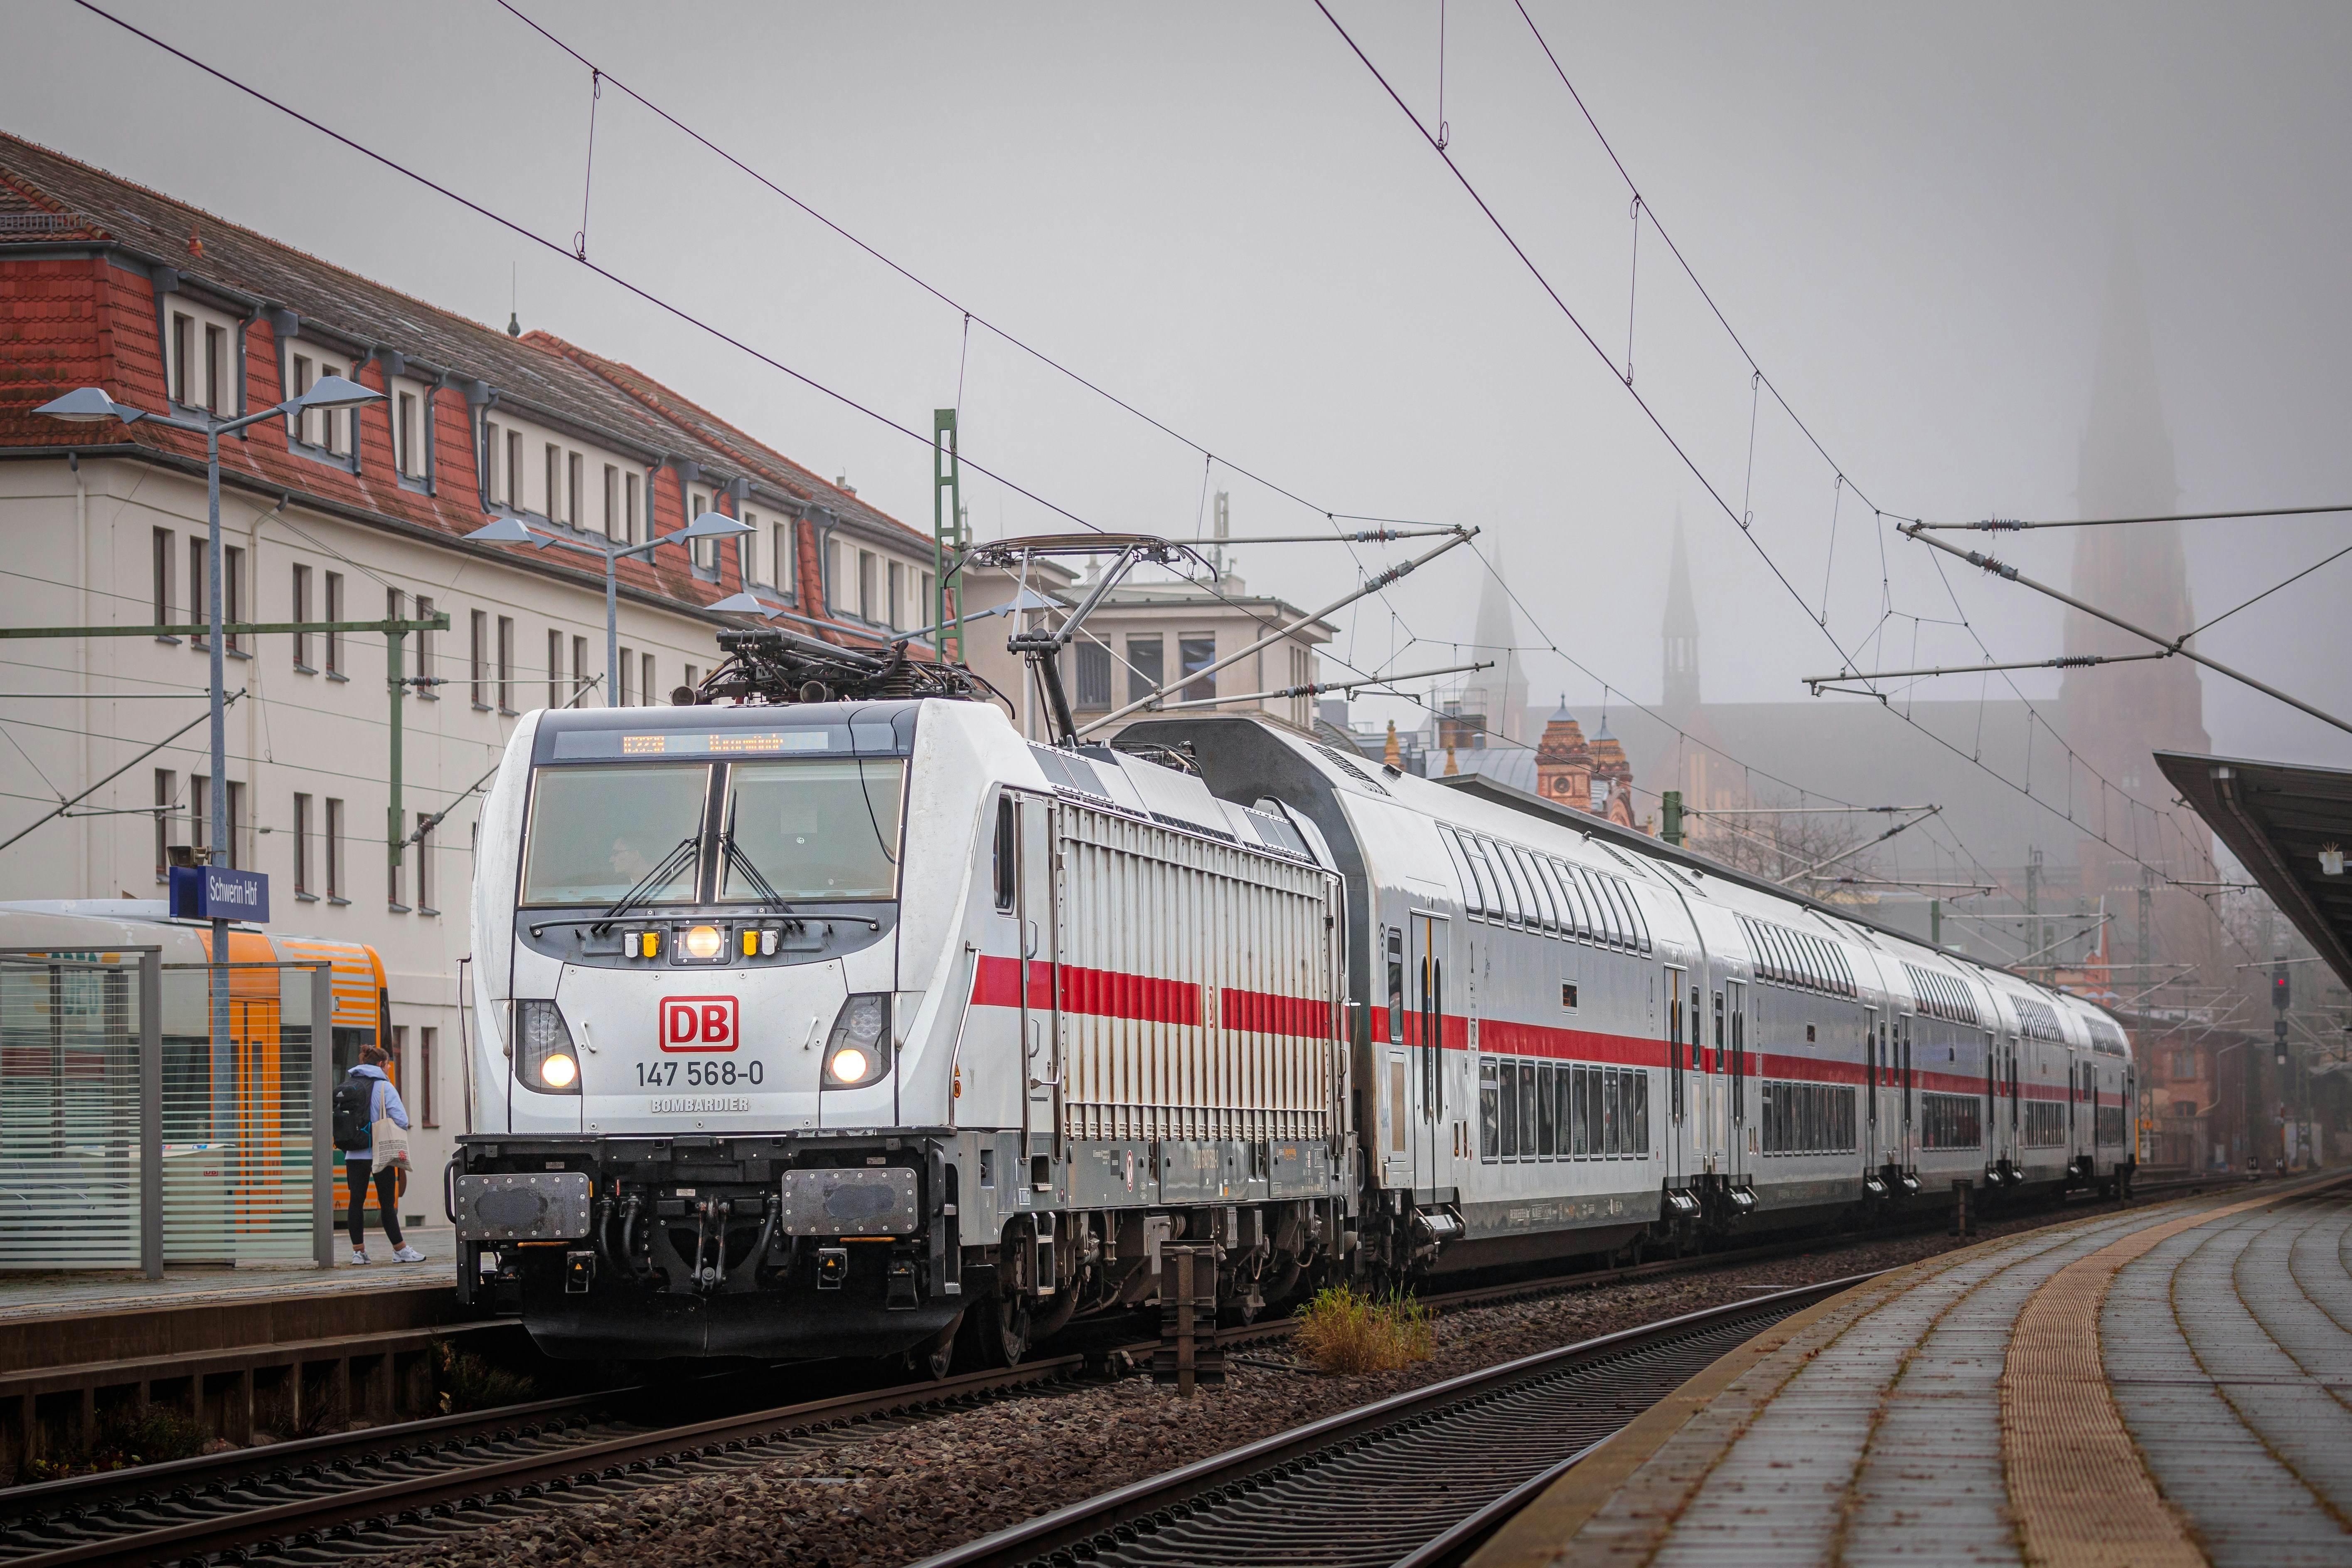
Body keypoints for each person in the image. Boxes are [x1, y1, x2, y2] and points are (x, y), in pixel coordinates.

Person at [345, 1044, 423, 1264]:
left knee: (356, 1202)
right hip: (382, 1152)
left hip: (354, 1153)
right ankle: (400, 1250)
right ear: (381, 1065)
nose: (389, 1069)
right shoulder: (384, 1087)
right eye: (388, 1065)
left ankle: (358, 1253)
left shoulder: (351, 1084)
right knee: (387, 1204)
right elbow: (402, 1120)